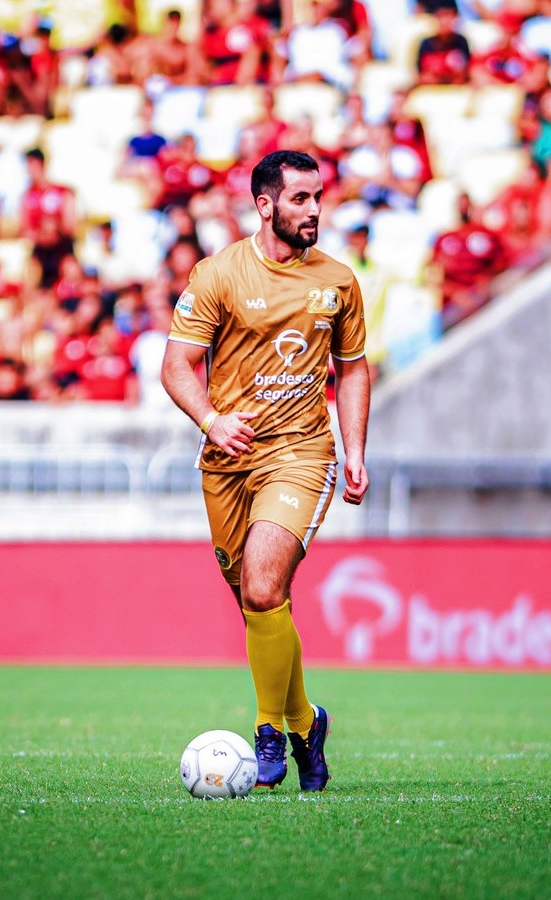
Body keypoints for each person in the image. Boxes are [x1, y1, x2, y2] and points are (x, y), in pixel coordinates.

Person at [160, 149, 370, 790]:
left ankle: (269, 731)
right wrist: (211, 421)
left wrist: (355, 450)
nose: (314, 210)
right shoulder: (218, 274)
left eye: (318, 197)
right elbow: (176, 366)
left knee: (262, 586)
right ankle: (307, 721)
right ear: (265, 204)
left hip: (301, 454)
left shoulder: (338, 281)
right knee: (261, 604)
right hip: (228, 460)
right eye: (301, 199)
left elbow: (353, 369)